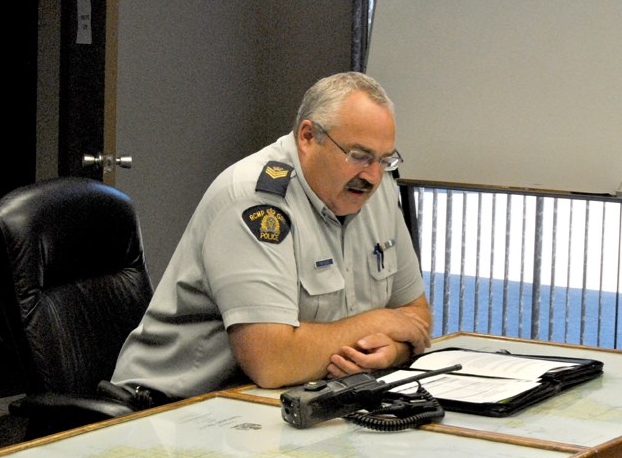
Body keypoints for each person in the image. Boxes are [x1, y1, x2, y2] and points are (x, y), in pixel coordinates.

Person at [111, 71, 431, 402]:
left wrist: (392, 351)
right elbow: (272, 361)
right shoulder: (256, 199)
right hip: (171, 407)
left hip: (286, 401)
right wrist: (379, 322)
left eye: (384, 159)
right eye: (359, 156)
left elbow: (416, 315)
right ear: (308, 137)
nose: (373, 176)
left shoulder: (376, 191)